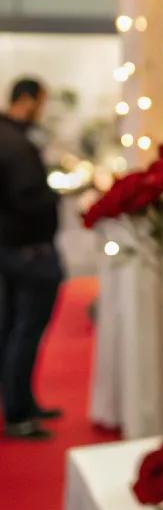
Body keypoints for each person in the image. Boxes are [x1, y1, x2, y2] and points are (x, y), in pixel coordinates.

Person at [0, 78, 63, 440]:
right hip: (28, 250)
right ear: (26, 100)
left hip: (11, 249)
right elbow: (28, 197)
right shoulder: (16, 144)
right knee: (25, 332)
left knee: (11, 328)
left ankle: (20, 402)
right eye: (41, 102)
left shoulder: (8, 137)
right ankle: (19, 411)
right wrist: (53, 199)